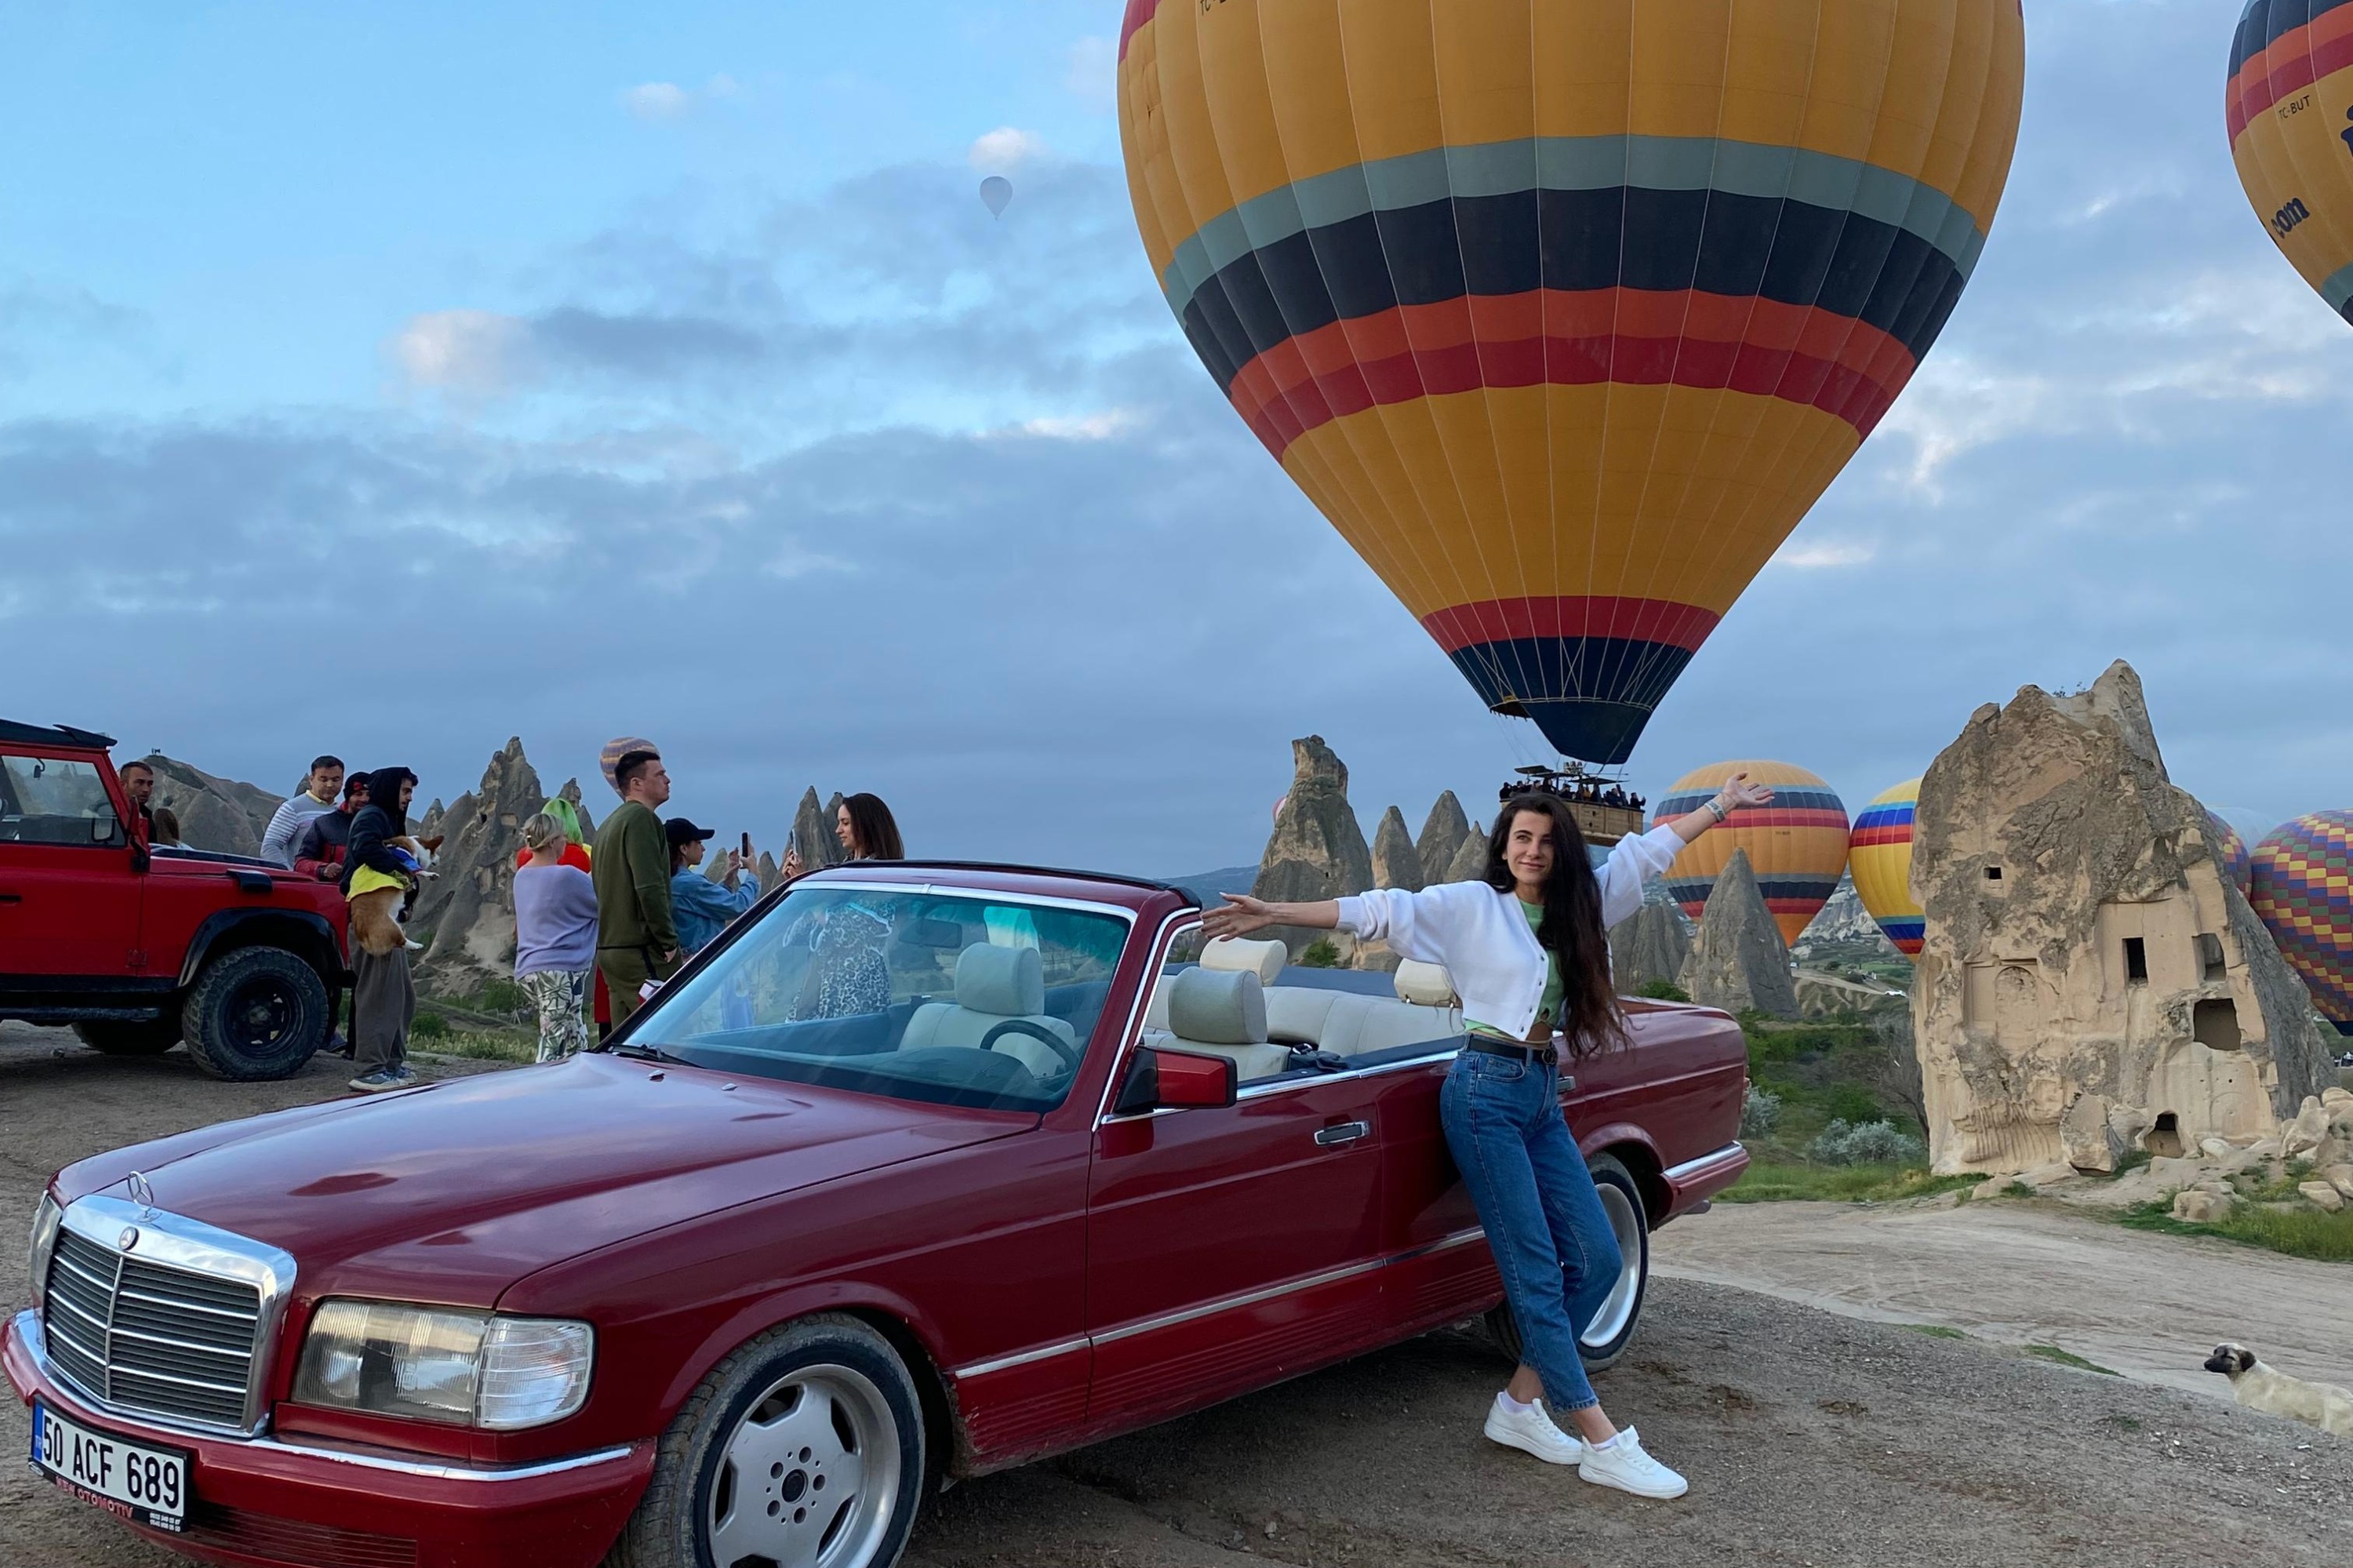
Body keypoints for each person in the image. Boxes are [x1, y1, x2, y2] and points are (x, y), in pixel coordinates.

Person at [1206, 772, 1773, 1500]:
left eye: (1544, 839)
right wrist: (1274, 910)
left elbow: (1646, 853)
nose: (1532, 850)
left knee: (1597, 1259)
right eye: (1520, 838)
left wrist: (1721, 805)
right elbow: (1376, 910)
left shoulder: (1583, 905)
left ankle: (1518, 1405)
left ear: (1562, 849)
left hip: (1540, 1088)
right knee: (1534, 1267)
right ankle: (1600, 1436)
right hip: (1483, 1092)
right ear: (1503, 848)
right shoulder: (1471, 907)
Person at [343, 766, 421, 1093]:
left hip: (388, 920)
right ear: (390, 790)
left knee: (401, 995)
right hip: (372, 919)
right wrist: (403, 868)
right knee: (378, 995)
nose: (409, 798)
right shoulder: (372, 817)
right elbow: (364, 849)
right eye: (404, 791)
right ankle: (370, 1069)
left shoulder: (387, 820)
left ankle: (391, 1065)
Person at [592, 748, 679, 1025]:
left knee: (625, 1039)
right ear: (636, 784)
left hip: (611, 950)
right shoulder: (642, 820)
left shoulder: (608, 825)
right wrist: (668, 941)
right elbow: (649, 887)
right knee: (666, 1028)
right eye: (660, 774)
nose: (668, 780)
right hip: (641, 950)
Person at [515, 812, 598, 1062]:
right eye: (563, 837)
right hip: (560, 969)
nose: (566, 842)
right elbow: (600, 903)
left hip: (528, 967)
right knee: (554, 1040)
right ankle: (541, 1094)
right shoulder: (567, 876)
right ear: (552, 841)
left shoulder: (522, 876)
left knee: (575, 1035)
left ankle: (577, 1088)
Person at [667, 817, 758, 955]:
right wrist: (753, 874)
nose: (703, 848)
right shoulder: (690, 883)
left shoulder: (670, 880)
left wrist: (727, 881)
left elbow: (700, 904)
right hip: (702, 958)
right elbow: (739, 906)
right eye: (698, 842)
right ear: (684, 848)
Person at [781, 790, 903, 878]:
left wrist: (804, 881)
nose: (838, 830)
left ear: (865, 825)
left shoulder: (876, 875)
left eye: (845, 823)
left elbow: (837, 911)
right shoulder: (846, 869)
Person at [260, 756, 344, 867]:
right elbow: (270, 847)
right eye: (323, 779)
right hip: (302, 881)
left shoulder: (342, 811)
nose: (330, 785)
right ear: (311, 779)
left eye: (335, 780)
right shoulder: (292, 808)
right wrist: (291, 875)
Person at [293, 772, 369, 881]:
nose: (364, 799)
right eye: (359, 794)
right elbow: (300, 863)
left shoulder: (383, 827)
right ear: (348, 796)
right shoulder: (324, 824)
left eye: (369, 795)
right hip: (332, 893)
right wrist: (322, 869)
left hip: (371, 895)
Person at [117, 759, 157, 839]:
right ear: (123, 785)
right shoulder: (108, 813)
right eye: (139, 783)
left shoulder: (147, 815)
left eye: (150, 784)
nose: (146, 789)